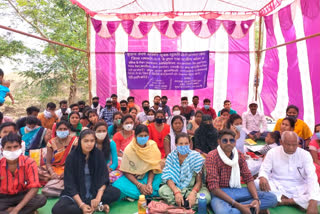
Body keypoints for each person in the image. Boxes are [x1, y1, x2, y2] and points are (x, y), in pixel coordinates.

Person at [207, 129, 278, 214]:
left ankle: (241, 207)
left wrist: (256, 199)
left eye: (231, 140)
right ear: (219, 141)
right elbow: (214, 189)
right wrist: (239, 206)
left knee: (272, 198)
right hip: (220, 193)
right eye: (225, 140)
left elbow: (248, 179)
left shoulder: (239, 155)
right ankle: (247, 208)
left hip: (237, 190)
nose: (229, 143)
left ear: (235, 142)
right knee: (223, 212)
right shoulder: (212, 156)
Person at [52, 129, 120, 214]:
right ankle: (95, 207)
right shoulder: (72, 157)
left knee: (116, 192)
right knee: (57, 209)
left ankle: (93, 205)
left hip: (94, 191)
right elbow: (69, 183)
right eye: (86, 141)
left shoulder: (98, 155)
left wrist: (98, 198)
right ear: (80, 141)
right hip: (76, 193)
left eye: (92, 141)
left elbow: (104, 177)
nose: (89, 144)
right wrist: (81, 205)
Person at [256, 131, 320, 212]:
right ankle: (296, 202)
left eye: (294, 145)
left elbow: (312, 177)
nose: (291, 148)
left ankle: (283, 201)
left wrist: (313, 202)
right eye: (288, 144)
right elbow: (264, 169)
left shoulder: (305, 155)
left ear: (298, 143)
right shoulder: (272, 152)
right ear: (281, 142)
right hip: (277, 185)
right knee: (257, 184)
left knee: (316, 193)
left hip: (299, 187)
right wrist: (263, 177)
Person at [160, 133, 210, 208]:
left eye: (186, 143)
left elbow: (199, 181)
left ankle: (178, 204)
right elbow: (168, 177)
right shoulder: (171, 157)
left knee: (206, 198)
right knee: (162, 190)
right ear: (176, 144)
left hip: (192, 188)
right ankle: (186, 204)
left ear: (190, 144)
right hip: (176, 188)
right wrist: (176, 192)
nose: (183, 146)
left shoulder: (196, 157)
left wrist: (193, 193)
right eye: (181, 144)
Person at [0, 133, 47, 213]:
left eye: (15, 147)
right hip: (4, 198)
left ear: (20, 147)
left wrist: (16, 209)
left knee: (41, 199)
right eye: (8, 148)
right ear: (2, 149)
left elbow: (35, 187)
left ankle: (10, 211)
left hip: (22, 195)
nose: (12, 150)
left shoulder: (29, 162)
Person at [112, 125, 162, 199]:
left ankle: (146, 191)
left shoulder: (152, 146)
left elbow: (153, 167)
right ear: (135, 136)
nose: (143, 138)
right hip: (134, 179)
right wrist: (139, 185)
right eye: (140, 136)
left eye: (145, 135)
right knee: (117, 185)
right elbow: (126, 171)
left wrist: (149, 184)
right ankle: (149, 193)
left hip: (148, 176)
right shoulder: (129, 149)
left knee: (160, 175)